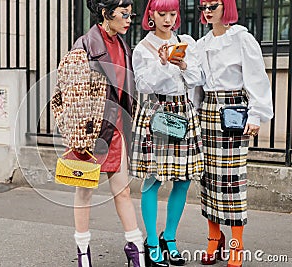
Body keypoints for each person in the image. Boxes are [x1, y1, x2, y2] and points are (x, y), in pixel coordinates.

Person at [51, 1, 145, 266]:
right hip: (89, 133)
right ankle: (83, 252)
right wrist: (79, 137)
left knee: (123, 192)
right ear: (106, 13)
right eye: (124, 14)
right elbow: (69, 96)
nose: (129, 19)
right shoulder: (84, 47)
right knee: (85, 193)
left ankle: (135, 248)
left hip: (116, 130)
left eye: (130, 14)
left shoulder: (124, 46)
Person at [192, 1, 273, 267]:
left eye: (213, 4)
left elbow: (256, 77)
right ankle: (214, 238)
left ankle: (236, 243)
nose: (207, 9)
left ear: (225, 6)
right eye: (203, 5)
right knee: (209, 178)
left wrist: (257, 114)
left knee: (233, 180)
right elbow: (196, 86)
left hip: (235, 112)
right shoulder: (201, 44)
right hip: (208, 112)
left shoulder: (242, 39)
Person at [130, 0, 205, 266]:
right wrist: (162, 64)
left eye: (172, 13)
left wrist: (183, 65)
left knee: (183, 179)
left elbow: (198, 80)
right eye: (161, 13)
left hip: (183, 112)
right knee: (153, 179)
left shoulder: (188, 42)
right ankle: (151, 242)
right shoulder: (143, 48)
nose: (167, 19)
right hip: (156, 112)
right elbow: (143, 84)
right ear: (151, 14)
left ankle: (169, 237)